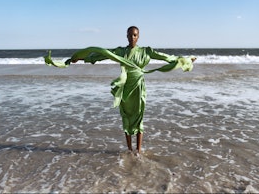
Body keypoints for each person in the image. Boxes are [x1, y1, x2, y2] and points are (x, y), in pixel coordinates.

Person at [45, 26, 196, 156]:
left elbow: (167, 57)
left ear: (138, 36)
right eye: (130, 35)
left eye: (135, 35)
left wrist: (186, 60)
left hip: (138, 86)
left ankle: (139, 151)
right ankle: (129, 149)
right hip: (125, 86)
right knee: (126, 117)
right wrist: (81, 58)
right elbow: (103, 54)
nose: (132, 37)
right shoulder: (120, 51)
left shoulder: (146, 51)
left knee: (139, 116)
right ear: (126, 36)